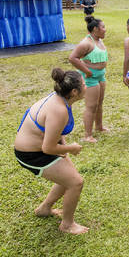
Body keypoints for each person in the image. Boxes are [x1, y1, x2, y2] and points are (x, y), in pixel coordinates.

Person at [14, 68, 89, 235]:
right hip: (31, 154)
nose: (87, 86)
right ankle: (67, 225)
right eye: (84, 84)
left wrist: (63, 147)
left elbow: (55, 133)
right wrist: (71, 148)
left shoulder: (61, 100)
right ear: (75, 92)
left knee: (69, 177)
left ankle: (44, 208)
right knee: (75, 182)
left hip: (41, 148)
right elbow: (47, 148)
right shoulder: (59, 109)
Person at [68, 16, 109, 143]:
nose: (105, 30)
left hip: (101, 76)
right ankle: (87, 135)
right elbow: (72, 58)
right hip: (90, 79)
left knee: (99, 103)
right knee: (91, 106)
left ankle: (99, 126)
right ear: (95, 29)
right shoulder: (86, 43)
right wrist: (87, 71)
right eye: (103, 27)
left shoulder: (99, 40)